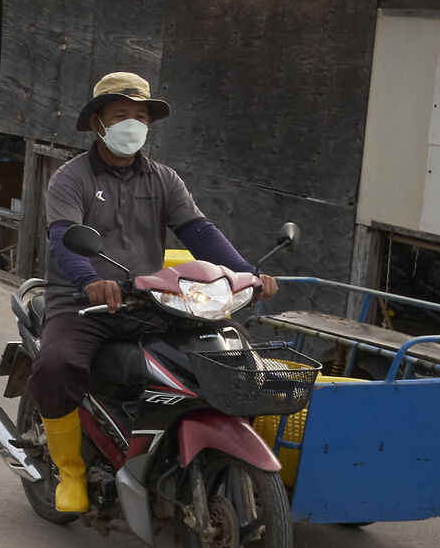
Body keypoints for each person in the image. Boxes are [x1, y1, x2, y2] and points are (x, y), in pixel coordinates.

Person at [29, 71, 277, 514]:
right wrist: (88, 280)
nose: (132, 124)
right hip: (82, 302)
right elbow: (63, 236)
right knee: (57, 365)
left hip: (150, 299)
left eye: (140, 116)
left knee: (230, 352)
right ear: (97, 123)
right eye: (121, 114)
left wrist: (247, 274)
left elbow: (199, 231)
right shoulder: (71, 178)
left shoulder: (164, 179)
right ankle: (69, 471)